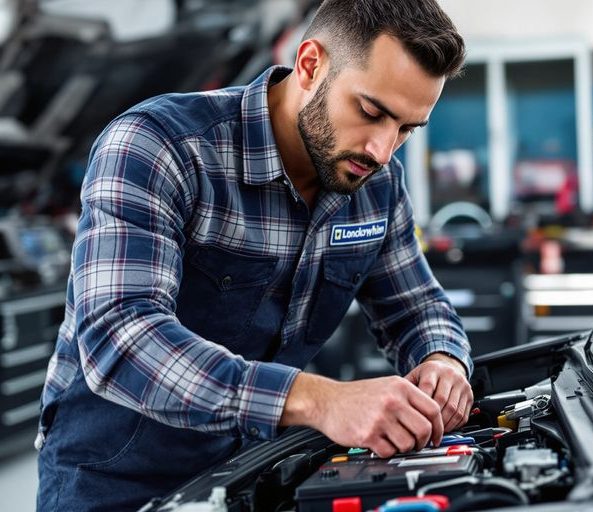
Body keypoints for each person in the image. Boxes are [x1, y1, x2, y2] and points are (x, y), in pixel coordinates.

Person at [35, 0, 472, 510]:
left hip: (254, 476)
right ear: (310, 65)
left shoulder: (377, 185)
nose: (381, 149)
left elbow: (417, 306)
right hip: (116, 484)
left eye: (405, 129)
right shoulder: (160, 146)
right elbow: (120, 336)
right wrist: (318, 399)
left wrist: (443, 360)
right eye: (371, 112)